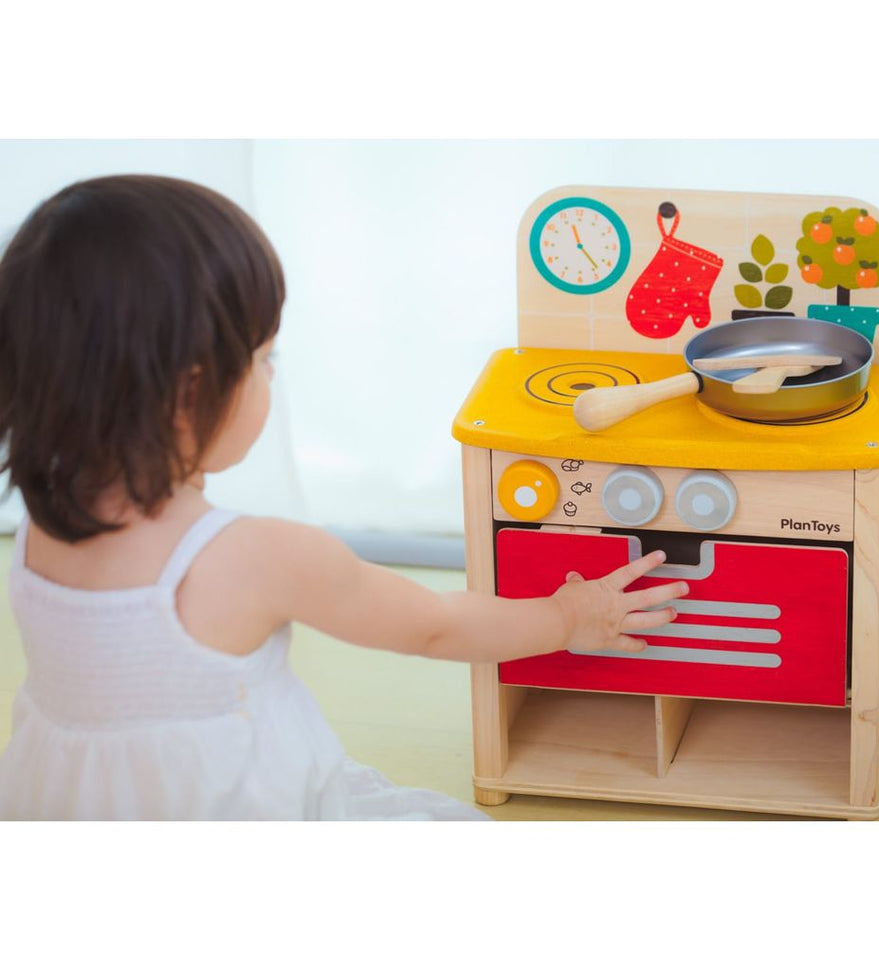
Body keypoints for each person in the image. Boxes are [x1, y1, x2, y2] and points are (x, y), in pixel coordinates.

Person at [0, 175, 686, 821]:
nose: (272, 374)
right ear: (190, 392)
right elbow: (432, 624)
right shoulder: (255, 556)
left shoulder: (40, 524)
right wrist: (568, 616)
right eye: (265, 357)